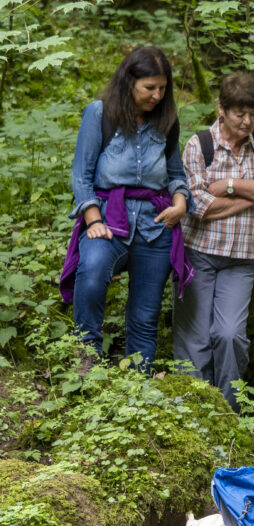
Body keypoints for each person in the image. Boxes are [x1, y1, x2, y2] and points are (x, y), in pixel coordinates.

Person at [61, 46, 191, 368]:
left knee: (146, 316)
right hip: (107, 219)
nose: (157, 95)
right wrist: (93, 220)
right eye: (149, 87)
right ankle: (86, 363)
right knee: (92, 272)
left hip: (155, 226)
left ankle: (137, 383)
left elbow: (176, 175)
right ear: (129, 82)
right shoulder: (100, 114)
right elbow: (81, 175)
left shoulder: (167, 120)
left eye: (163, 88)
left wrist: (180, 203)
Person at [173, 71, 254, 410]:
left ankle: (227, 412)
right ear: (221, 109)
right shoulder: (199, 145)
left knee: (229, 335)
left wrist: (229, 185)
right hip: (198, 253)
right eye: (240, 113)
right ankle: (192, 410)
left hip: (243, 257)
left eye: (253, 113)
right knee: (194, 339)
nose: (247, 121)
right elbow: (199, 207)